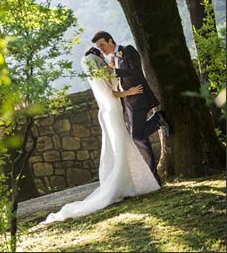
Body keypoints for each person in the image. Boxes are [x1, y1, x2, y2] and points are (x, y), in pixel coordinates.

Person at [41, 48, 160, 224]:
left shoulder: (94, 74)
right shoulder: (102, 71)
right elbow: (113, 93)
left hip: (107, 110)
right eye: (101, 57)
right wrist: (131, 92)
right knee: (122, 143)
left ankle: (127, 181)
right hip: (113, 107)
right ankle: (126, 182)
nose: (104, 59)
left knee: (120, 144)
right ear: (97, 57)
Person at [91, 31, 169, 184]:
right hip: (128, 102)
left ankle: (154, 177)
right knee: (137, 137)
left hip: (139, 98)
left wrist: (113, 71)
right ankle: (157, 120)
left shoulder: (127, 50)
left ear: (110, 40)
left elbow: (135, 71)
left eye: (102, 45)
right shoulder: (114, 59)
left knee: (136, 137)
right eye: (99, 48)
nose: (101, 49)